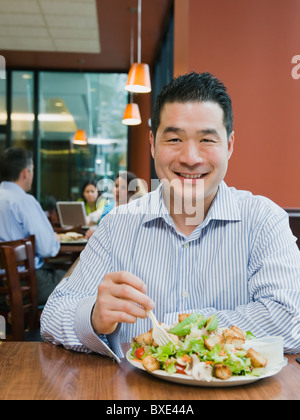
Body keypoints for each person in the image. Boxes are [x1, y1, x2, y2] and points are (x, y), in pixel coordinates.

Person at [41, 72, 300, 361]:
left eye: (207, 140)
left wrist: (183, 329)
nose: (190, 157)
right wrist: (92, 315)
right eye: (175, 138)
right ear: (153, 144)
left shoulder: (264, 221)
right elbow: (53, 315)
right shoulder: (117, 225)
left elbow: (289, 321)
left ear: (229, 145)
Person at [0, 147, 66, 306]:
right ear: (25, 173)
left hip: (3, 288)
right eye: (32, 170)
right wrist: (54, 240)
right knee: (72, 279)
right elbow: (46, 249)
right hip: (24, 285)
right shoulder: (24, 201)